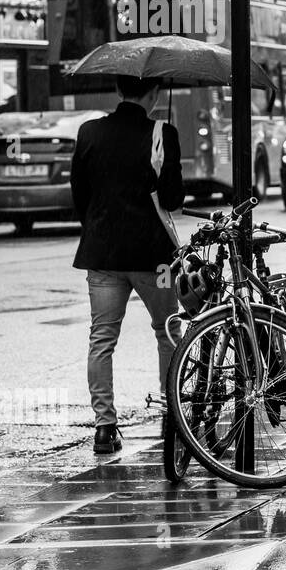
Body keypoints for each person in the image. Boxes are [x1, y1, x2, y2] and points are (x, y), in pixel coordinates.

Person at [70, 75, 183, 455]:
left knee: (101, 339)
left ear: (118, 91)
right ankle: (173, 417)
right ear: (153, 94)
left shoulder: (89, 132)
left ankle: (104, 427)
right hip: (154, 256)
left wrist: (101, 226)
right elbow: (173, 198)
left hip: (102, 254)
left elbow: (79, 194)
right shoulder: (162, 133)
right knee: (168, 333)